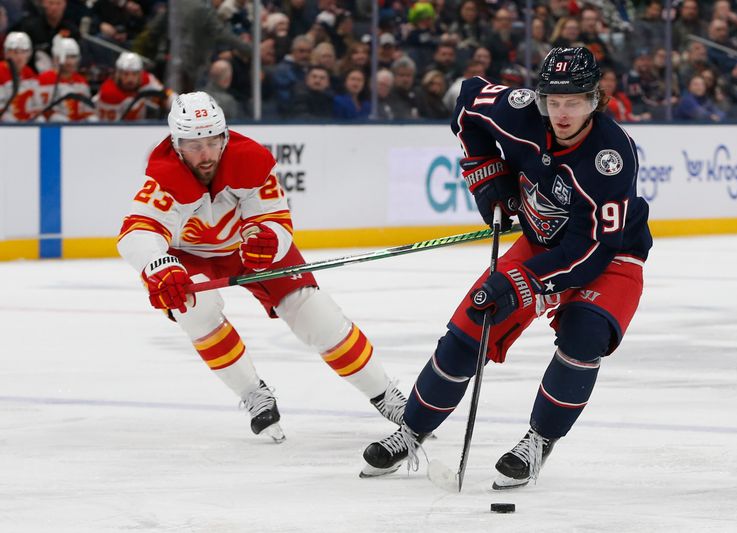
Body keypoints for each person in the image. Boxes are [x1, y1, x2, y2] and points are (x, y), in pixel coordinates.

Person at [361, 47, 652, 489]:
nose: (562, 114)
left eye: (574, 102)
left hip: (609, 257)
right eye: (553, 101)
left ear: (595, 100)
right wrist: (486, 175)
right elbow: (467, 100)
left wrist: (522, 282)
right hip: (539, 244)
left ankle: (539, 440)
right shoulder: (518, 112)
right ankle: (412, 430)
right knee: (469, 328)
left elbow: (591, 250)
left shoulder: (611, 157)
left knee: (584, 336)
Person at [117, 92, 407, 441]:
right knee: (195, 310)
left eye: (213, 142)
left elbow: (275, 219)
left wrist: (268, 238)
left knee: (315, 314)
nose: (206, 155)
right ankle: (253, 393)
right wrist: (160, 266)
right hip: (189, 256)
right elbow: (137, 233)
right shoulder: (163, 177)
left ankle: (385, 393)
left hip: (248, 249)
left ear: (225, 136)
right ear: (177, 145)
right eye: (194, 146)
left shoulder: (249, 159)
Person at [95, 52, 170, 122]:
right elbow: (109, 127)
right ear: (118, 74)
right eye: (126, 74)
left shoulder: (147, 79)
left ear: (140, 74)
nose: (130, 79)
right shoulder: (108, 92)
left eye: (134, 74)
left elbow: (168, 95)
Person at [35, 36, 95, 122]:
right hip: (53, 127)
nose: (70, 62)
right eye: (66, 57)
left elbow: (87, 110)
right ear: (56, 58)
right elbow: (38, 110)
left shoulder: (81, 81)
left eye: (73, 57)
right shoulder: (44, 80)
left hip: (77, 126)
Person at [0, 31, 38, 122]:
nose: (19, 56)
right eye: (15, 52)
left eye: (24, 52)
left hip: (24, 121)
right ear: (6, 53)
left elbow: (35, 104)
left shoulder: (29, 73)